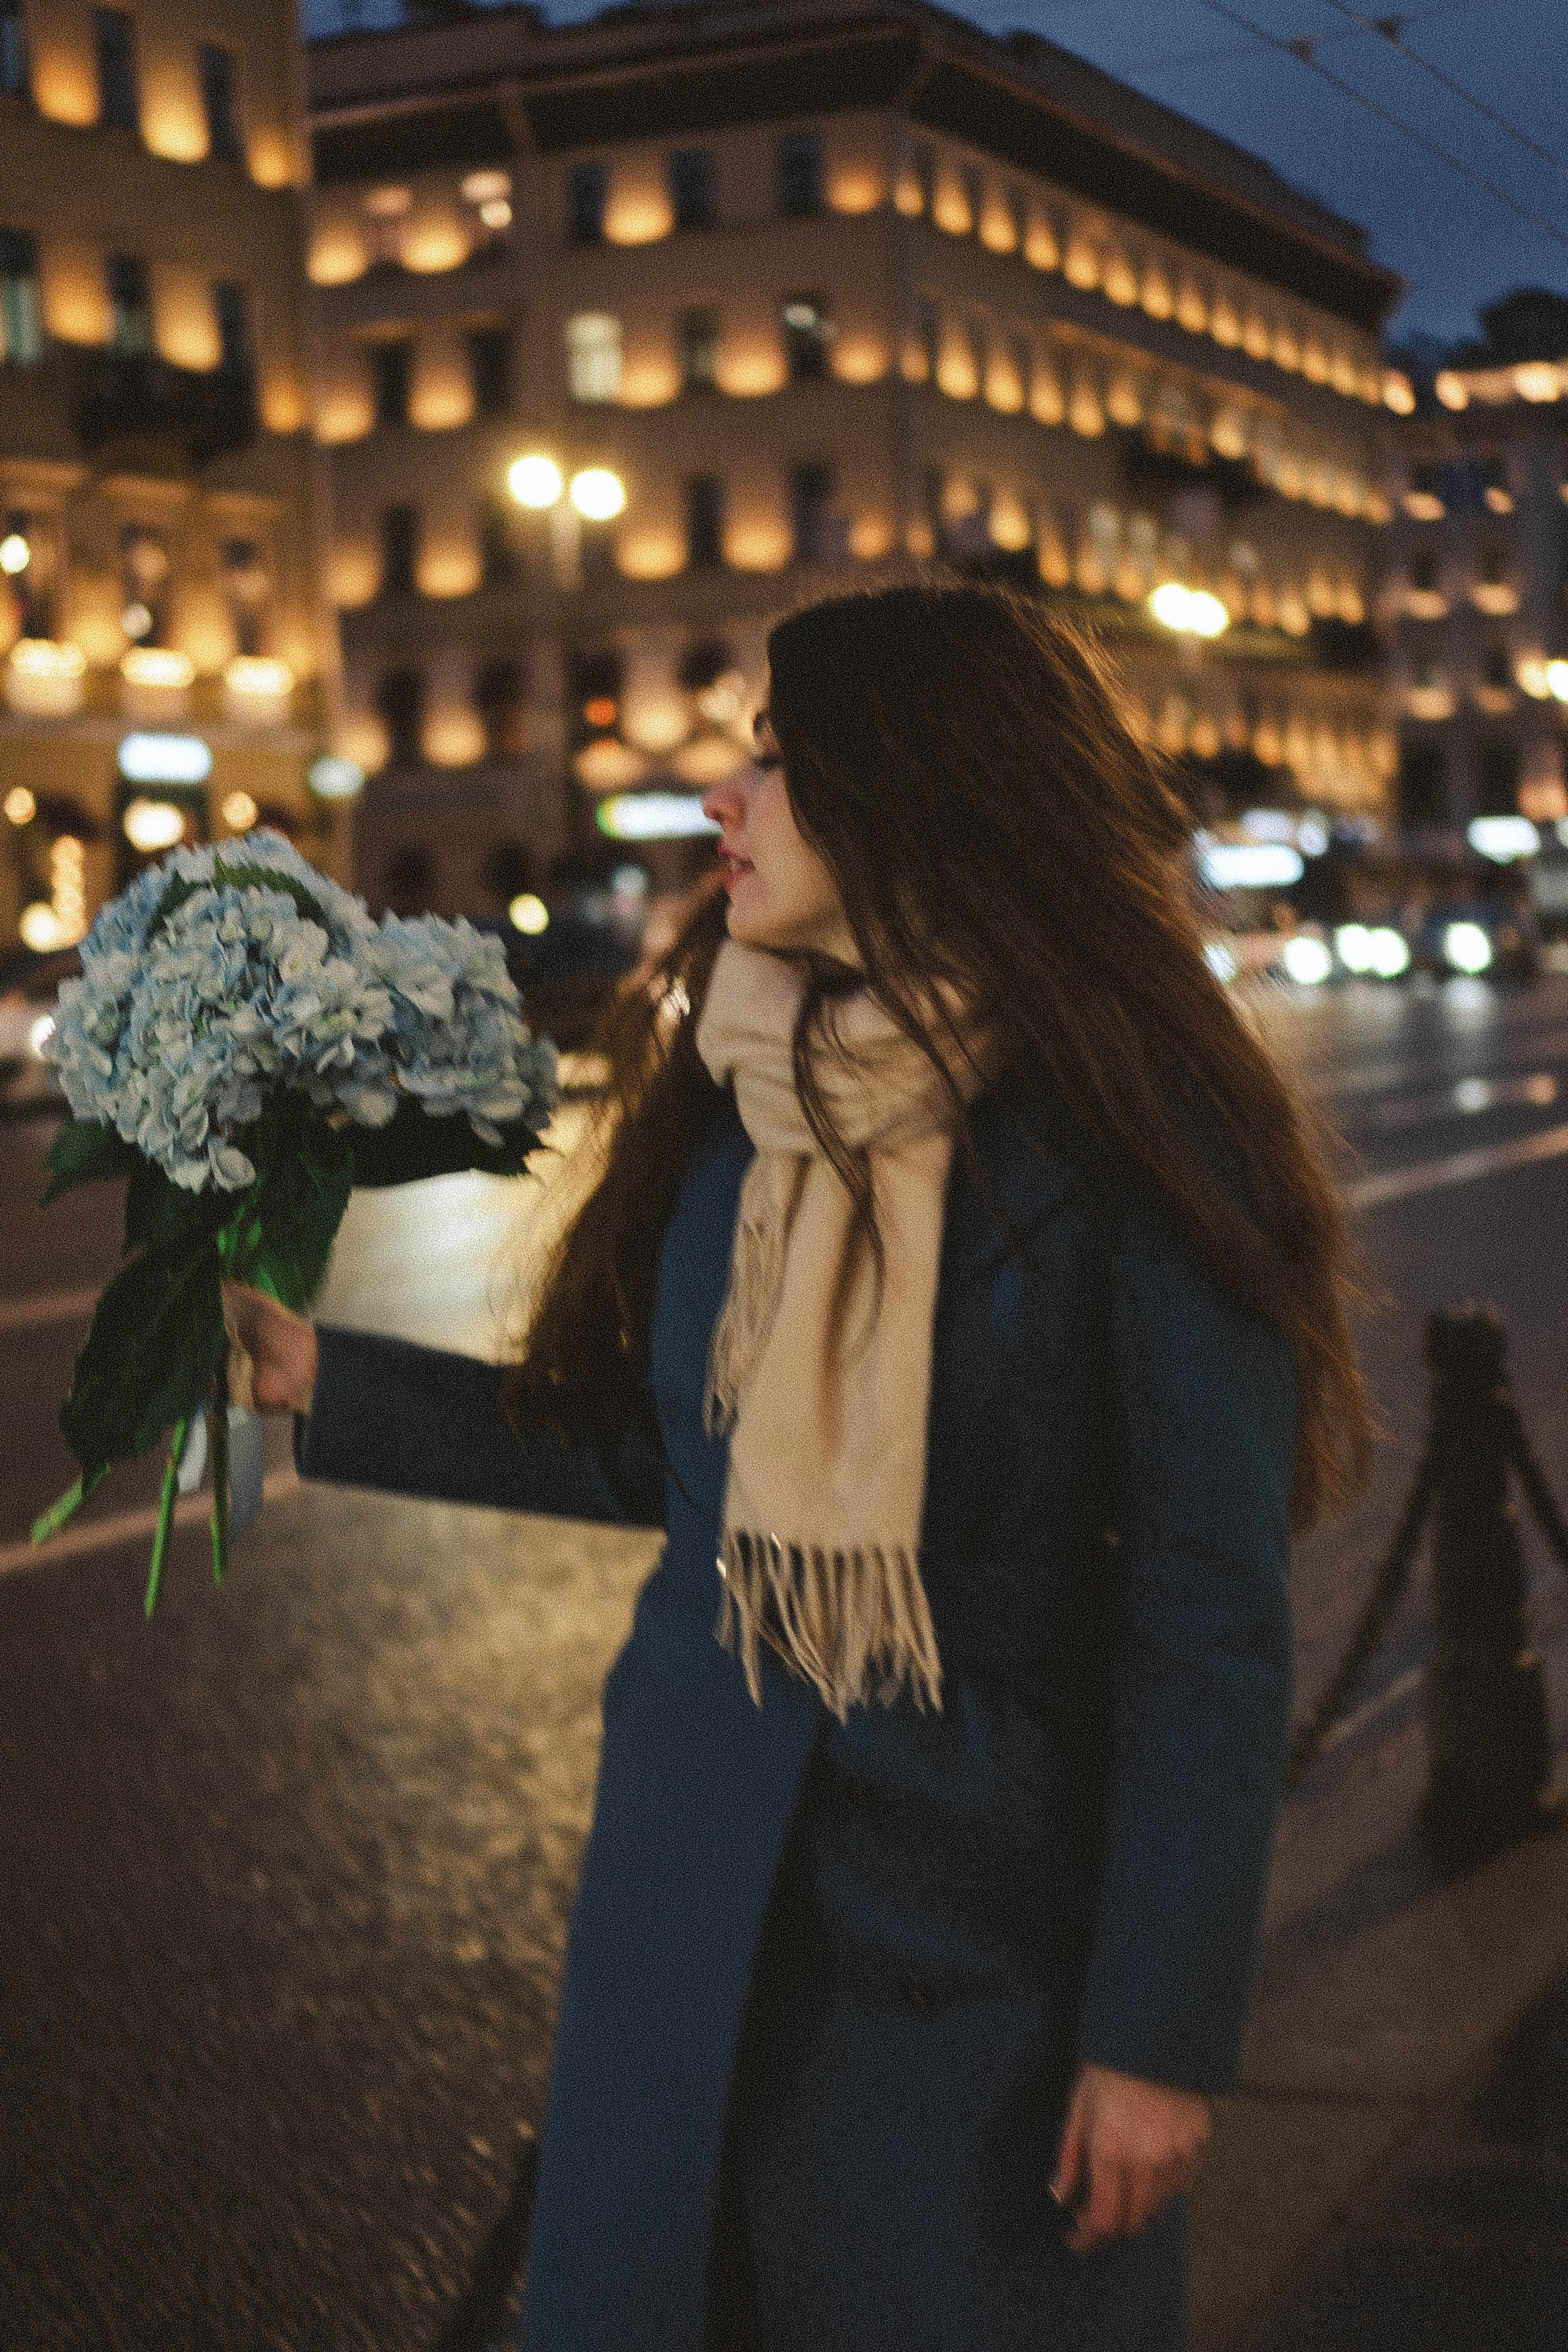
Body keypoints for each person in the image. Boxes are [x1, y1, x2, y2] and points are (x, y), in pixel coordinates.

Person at [225, 583, 1372, 2352]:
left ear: (914, 783)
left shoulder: (1139, 1113)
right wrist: (325, 1380)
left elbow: (1208, 1618)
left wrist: (1157, 2031)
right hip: (688, 1907)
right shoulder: (747, 1076)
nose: (721, 803)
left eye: (773, 761)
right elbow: (677, 1457)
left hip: (982, 1932)